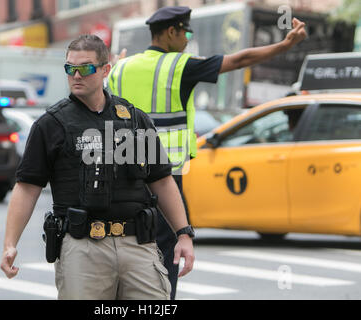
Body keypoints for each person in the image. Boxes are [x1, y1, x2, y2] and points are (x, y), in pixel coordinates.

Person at [108, 6, 307, 299]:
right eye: (186, 32)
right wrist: (285, 44)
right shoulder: (179, 66)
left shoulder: (121, 67)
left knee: (122, 247)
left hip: (122, 174)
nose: (189, 38)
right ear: (172, 32)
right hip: (165, 178)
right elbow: (241, 59)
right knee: (165, 250)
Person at [0, 34, 194, 300]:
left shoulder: (135, 120)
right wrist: (10, 244)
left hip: (137, 245)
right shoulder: (51, 125)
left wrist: (183, 234)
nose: (76, 75)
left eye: (85, 68)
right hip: (82, 247)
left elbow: (161, 180)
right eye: (70, 68)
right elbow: (27, 187)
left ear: (105, 70)